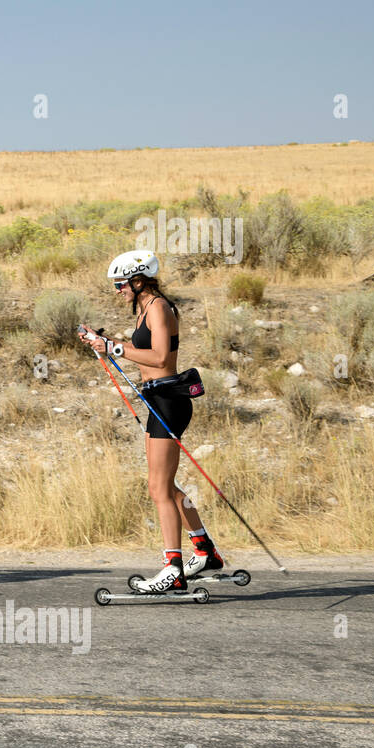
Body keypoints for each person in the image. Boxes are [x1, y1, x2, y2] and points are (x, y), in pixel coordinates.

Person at [78, 250, 223, 593]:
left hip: (168, 401)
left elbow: (159, 357)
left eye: (121, 283)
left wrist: (112, 347)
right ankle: (204, 551)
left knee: (158, 488)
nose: (118, 290)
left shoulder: (158, 306)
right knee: (165, 486)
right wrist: (104, 343)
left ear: (139, 279)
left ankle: (172, 567)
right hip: (158, 399)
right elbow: (140, 349)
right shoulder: (146, 307)